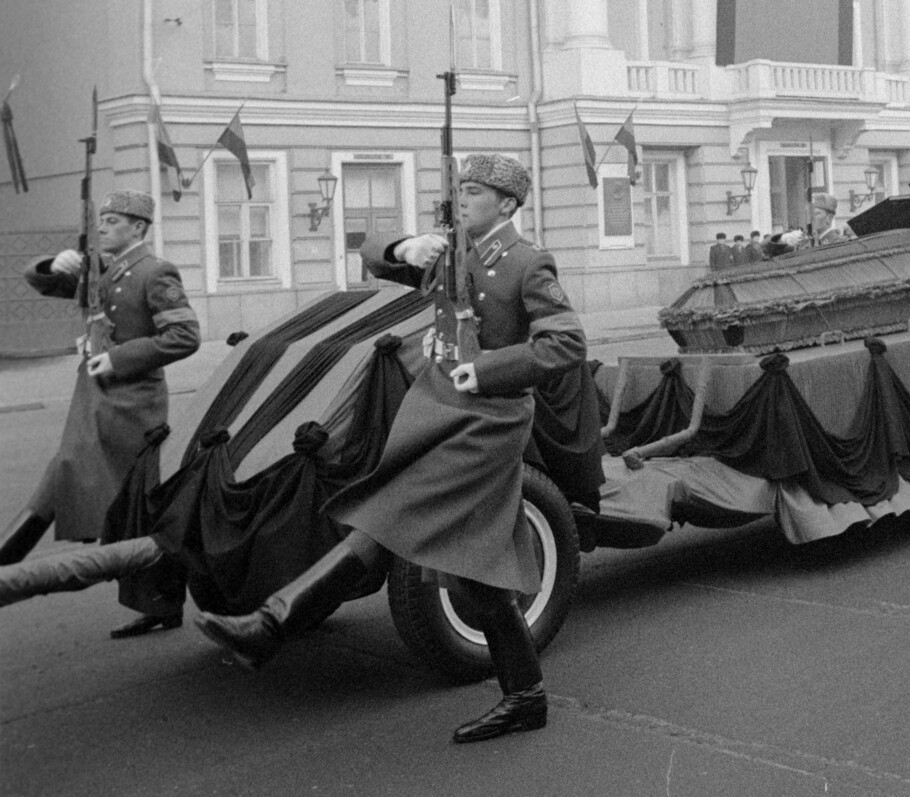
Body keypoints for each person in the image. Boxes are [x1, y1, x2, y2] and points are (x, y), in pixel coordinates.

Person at [197, 153, 586, 744]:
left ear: (506, 204)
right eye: (458, 189)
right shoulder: (451, 255)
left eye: (474, 191)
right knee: (477, 577)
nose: (460, 200)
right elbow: (374, 253)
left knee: (385, 522)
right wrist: (407, 247)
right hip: (439, 416)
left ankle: (269, 625)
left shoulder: (528, 264)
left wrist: (485, 372)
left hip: (487, 424)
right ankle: (527, 696)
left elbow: (566, 343)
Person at [2, 190, 200, 638]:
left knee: (140, 510)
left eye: (115, 220)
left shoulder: (155, 272)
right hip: (95, 401)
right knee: (64, 473)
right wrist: (57, 265)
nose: (104, 227)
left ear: (139, 228)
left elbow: (185, 335)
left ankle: (160, 603)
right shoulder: (100, 269)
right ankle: (6, 563)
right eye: (103, 219)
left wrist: (118, 359)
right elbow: (40, 281)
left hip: (133, 407)